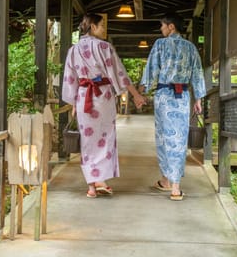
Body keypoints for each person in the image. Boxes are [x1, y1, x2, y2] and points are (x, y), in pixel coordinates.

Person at [62, 13, 146, 198]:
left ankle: (92, 186)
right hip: (103, 97)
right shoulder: (105, 47)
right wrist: (136, 95)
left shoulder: (73, 50)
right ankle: (100, 180)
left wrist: (74, 102)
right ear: (92, 27)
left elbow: (70, 79)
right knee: (105, 137)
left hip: (84, 97)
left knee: (88, 141)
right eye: (101, 26)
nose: (103, 30)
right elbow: (120, 75)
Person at [139, 12, 206, 201]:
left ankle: (169, 182)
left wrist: (143, 90)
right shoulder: (191, 48)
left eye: (162, 25)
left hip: (163, 97)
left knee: (163, 138)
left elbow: (151, 68)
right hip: (182, 97)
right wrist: (198, 99)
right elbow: (197, 74)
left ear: (171, 27)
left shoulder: (160, 45)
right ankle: (172, 185)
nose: (161, 29)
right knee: (178, 139)